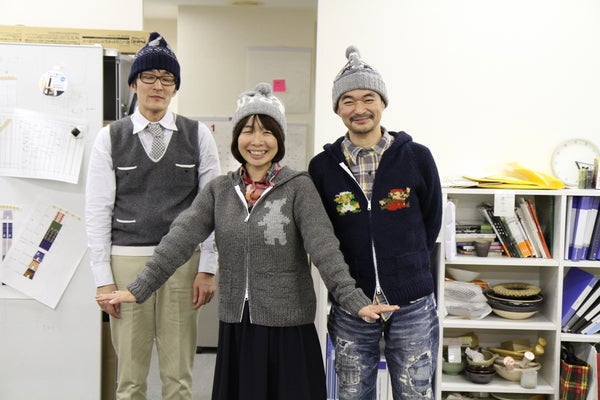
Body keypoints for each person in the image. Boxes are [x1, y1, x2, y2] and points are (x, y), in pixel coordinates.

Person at [96, 82, 398, 400]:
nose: (257, 141)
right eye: (248, 131)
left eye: (267, 131)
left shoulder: (299, 187)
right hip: (238, 327)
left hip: (288, 328)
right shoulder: (220, 191)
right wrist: (138, 288)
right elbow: (179, 239)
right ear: (236, 138)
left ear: (279, 139)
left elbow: (324, 249)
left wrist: (353, 300)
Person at [85, 32, 221, 400]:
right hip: (126, 262)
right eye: (148, 77)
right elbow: (97, 211)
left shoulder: (198, 136)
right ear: (134, 83)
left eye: (167, 78)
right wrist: (103, 279)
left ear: (175, 87)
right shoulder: (110, 137)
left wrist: (208, 267)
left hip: (183, 264)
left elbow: (212, 206)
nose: (157, 86)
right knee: (130, 379)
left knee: (179, 378)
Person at [307, 46, 443, 400]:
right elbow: (322, 234)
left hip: (412, 304)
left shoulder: (416, 157)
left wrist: (406, 267)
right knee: (352, 394)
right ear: (337, 109)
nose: (359, 109)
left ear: (382, 102)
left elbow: (430, 222)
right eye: (348, 101)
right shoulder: (322, 168)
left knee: (415, 393)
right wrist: (349, 291)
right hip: (352, 304)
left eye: (368, 98)